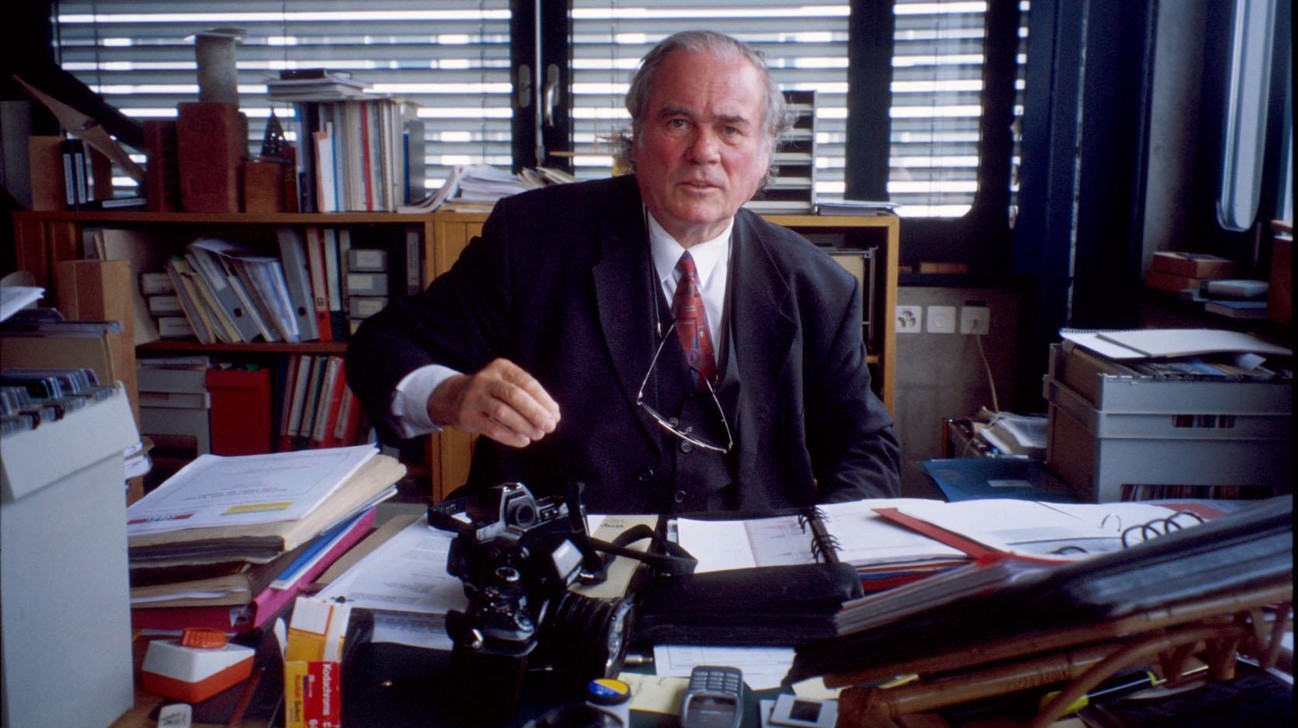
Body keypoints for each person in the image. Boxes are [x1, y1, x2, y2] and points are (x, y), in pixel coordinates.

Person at [347, 30, 901, 514]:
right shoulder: (532, 239)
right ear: (634, 137)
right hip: (562, 562)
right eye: (678, 122)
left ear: (765, 154)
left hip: (750, 569)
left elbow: (866, 448)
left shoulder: (820, 286)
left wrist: (828, 546)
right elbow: (381, 347)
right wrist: (449, 394)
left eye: (731, 129)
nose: (703, 151)